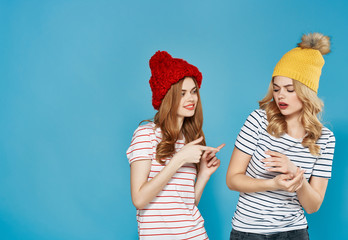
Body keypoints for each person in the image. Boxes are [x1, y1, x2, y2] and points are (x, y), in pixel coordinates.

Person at [226, 33, 335, 240]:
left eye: (289, 89)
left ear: (307, 91)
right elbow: (232, 180)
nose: (280, 96)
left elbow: (313, 206)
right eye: (276, 89)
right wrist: (273, 183)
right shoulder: (258, 121)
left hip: (293, 233)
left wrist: (296, 175)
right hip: (248, 232)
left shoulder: (325, 139)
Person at [127, 50, 224, 239]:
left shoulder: (188, 139)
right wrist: (179, 159)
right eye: (182, 93)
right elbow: (139, 199)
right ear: (167, 97)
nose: (191, 99)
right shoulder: (146, 134)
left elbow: (185, 206)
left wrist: (203, 174)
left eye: (194, 91)